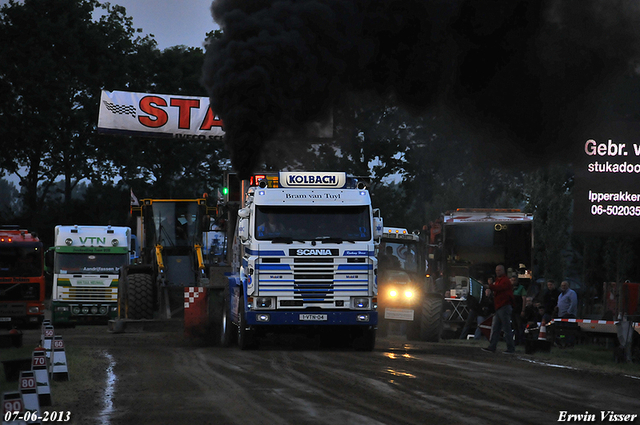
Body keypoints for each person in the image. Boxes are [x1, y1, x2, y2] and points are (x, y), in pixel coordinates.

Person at [482, 264, 515, 354]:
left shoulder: (505, 281)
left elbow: (500, 288)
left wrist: (490, 286)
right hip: (500, 307)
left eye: (499, 270)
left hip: (503, 306)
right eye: (496, 270)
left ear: (503, 271)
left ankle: (510, 348)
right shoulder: (499, 280)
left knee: (505, 328)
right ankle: (492, 346)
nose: (497, 272)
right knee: (496, 328)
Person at [511, 274, 526, 345]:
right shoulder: (510, 288)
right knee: (514, 326)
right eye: (512, 280)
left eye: (514, 280)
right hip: (512, 310)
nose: (513, 282)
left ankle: (521, 340)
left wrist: (523, 310)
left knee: (519, 325)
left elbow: (524, 299)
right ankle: (516, 341)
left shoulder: (521, 288)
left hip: (518, 310)